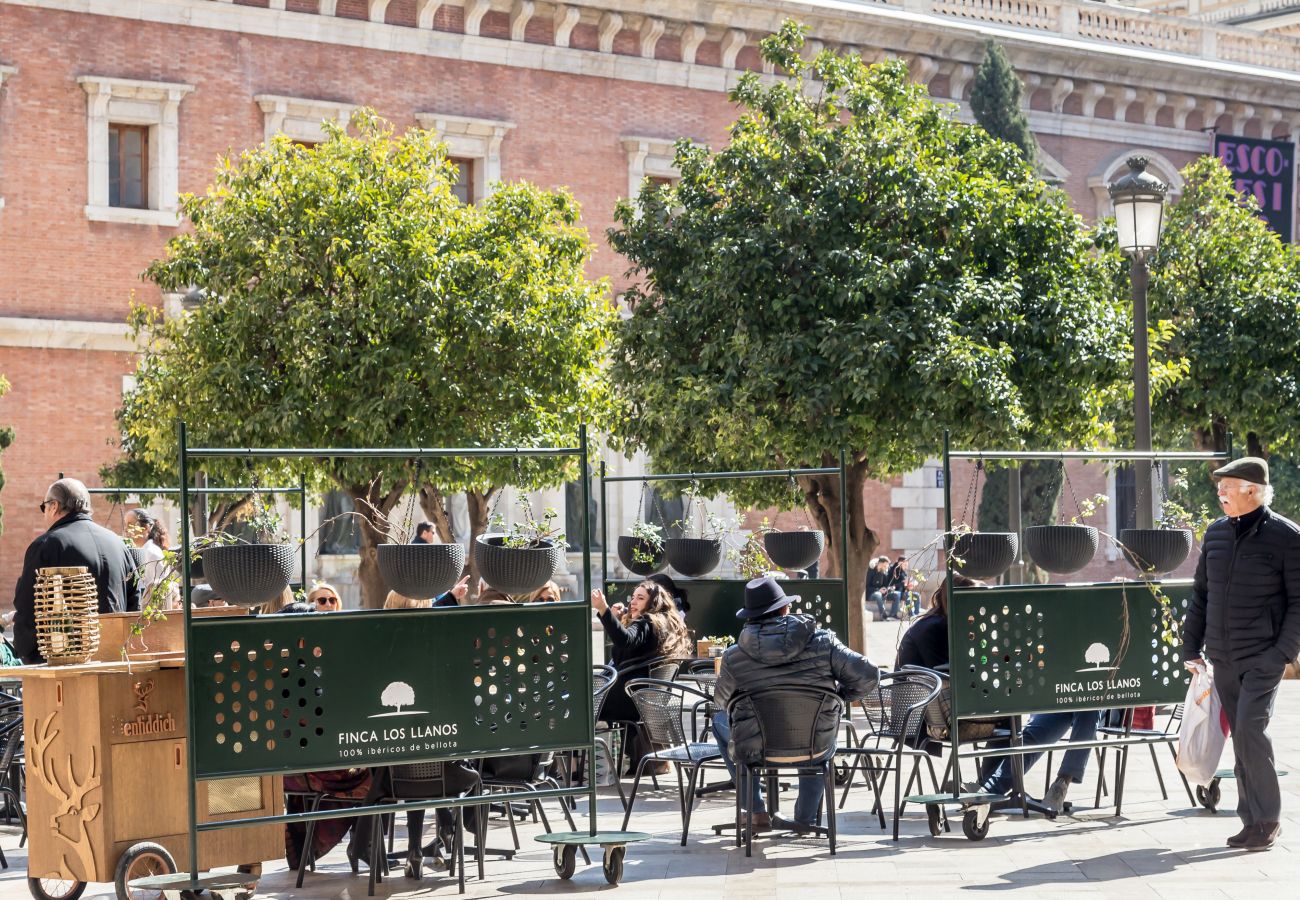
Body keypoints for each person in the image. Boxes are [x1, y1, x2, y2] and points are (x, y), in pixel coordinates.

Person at [1182, 456, 1300, 852]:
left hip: (1263, 656)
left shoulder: (1286, 536)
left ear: (1253, 490)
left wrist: (1282, 653)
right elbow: (1201, 594)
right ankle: (1251, 820)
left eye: (1228, 487)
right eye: (1220, 488)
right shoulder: (1215, 534)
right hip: (1223, 656)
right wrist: (1191, 646)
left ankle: (1268, 819)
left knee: (1251, 728)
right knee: (1241, 739)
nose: (1221, 494)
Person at [713, 576, 878, 831]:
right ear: (784, 609)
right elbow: (868, 675)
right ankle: (805, 819)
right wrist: (839, 697)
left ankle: (755, 811)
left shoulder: (733, 656)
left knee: (722, 722)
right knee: (815, 724)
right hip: (815, 744)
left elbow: (721, 700)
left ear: (750, 617)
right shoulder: (824, 642)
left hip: (760, 748)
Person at [13, 478, 141, 664]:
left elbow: (27, 606)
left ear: (54, 506)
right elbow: (135, 600)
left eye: (44, 508)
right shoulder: (118, 543)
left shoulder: (46, 545)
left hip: (65, 665)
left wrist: (27, 653)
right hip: (117, 660)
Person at [591, 580, 692, 767]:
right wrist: (619, 621)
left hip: (626, 699)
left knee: (579, 705)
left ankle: (574, 767)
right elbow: (628, 649)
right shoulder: (663, 623)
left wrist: (604, 610)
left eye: (640, 598)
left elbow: (626, 641)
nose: (633, 602)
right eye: (633, 597)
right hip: (642, 699)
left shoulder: (647, 621)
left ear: (653, 602)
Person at [896, 574, 981, 670]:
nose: (976, 605)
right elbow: (947, 673)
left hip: (925, 681)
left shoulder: (940, 620)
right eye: (972, 598)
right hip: (914, 684)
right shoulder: (936, 627)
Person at [886, 556, 917, 620]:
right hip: (892, 591)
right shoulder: (893, 570)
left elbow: (903, 584)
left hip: (901, 591)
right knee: (901, 594)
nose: (906, 566)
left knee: (915, 595)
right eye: (905, 564)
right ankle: (893, 615)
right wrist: (903, 583)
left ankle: (914, 614)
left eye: (907, 565)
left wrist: (909, 585)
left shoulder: (904, 572)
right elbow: (891, 584)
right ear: (900, 563)